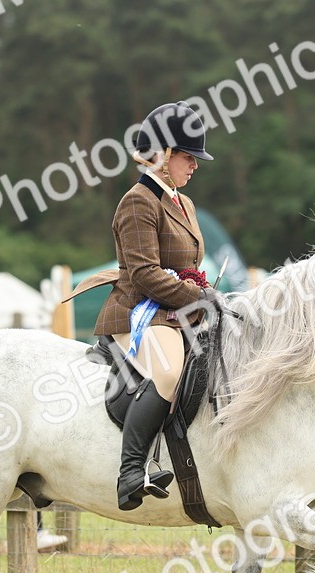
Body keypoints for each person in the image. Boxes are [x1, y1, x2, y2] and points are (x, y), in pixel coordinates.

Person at [94, 101, 220, 511]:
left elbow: (187, 266)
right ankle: (131, 471)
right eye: (187, 156)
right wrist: (199, 297)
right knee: (167, 371)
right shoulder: (138, 201)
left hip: (176, 311)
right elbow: (145, 274)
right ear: (164, 155)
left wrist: (203, 293)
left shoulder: (184, 203)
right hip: (138, 311)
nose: (195, 165)